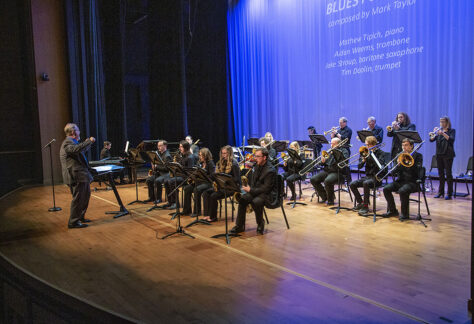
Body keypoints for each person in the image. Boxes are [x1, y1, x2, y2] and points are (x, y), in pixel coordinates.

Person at [230, 147, 276, 235]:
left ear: (264, 157)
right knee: (242, 199)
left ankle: (260, 223)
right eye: (255, 156)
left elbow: (266, 188)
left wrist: (251, 190)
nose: (255, 158)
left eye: (258, 156)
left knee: (256, 202)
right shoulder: (256, 166)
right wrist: (248, 187)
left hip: (267, 194)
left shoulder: (270, 170)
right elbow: (254, 182)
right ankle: (239, 226)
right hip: (256, 191)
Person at [59, 123, 95, 229]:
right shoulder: (67, 142)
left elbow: (80, 150)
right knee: (79, 198)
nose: (80, 132)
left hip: (81, 175)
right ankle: (73, 222)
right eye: (78, 130)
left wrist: (87, 144)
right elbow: (76, 149)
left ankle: (80, 217)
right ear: (73, 132)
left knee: (85, 196)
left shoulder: (74, 142)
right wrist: (89, 141)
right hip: (76, 175)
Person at [382, 138, 423, 220]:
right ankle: (393, 210)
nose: (404, 147)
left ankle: (405, 214)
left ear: (411, 146)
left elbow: (418, 171)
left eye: (406, 145)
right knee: (386, 188)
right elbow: (393, 172)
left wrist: (408, 162)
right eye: (403, 145)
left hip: (413, 182)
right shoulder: (399, 155)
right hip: (401, 181)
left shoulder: (418, 156)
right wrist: (398, 164)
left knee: (402, 191)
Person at [349, 136, 386, 216]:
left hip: (377, 178)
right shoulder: (364, 152)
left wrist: (372, 155)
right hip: (368, 177)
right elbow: (359, 167)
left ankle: (365, 206)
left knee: (366, 183)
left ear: (373, 145)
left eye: (368, 145)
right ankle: (361, 203)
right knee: (352, 184)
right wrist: (363, 161)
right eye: (366, 145)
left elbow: (381, 167)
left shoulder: (381, 153)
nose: (366, 147)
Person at [202, 145, 240, 222]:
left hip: (231, 188)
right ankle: (207, 214)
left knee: (213, 196)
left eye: (225, 153)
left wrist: (227, 180)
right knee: (206, 193)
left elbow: (237, 179)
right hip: (222, 186)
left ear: (230, 153)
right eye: (222, 153)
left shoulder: (234, 164)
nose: (223, 155)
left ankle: (213, 217)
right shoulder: (221, 162)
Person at [310, 137, 349, 206]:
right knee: (313, 179)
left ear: (338, 144)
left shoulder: (344, 151)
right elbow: (323, 164)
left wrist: (335, 154)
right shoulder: (330, 151)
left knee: (328, 181)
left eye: (333, 144)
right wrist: (322, 161)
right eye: (331, 143)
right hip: (328, 171)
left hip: (338, 172)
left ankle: (331, 200)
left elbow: (343, 163)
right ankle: (325, 196)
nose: (331, 145)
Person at [163, 140, 197, 209]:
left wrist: (180, 169)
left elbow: (189, 172)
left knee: (171, 181)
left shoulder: (190, 157)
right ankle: (170, 202)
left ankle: (176, 203)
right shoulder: (182, 155)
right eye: (179, 146)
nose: (179, 148)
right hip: (181, 175)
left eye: (181, 147)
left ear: (186, 147)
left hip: (186, 178)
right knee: (166, 180)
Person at [182, 147, 215, 216]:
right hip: (199, 182)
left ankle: (197, 212)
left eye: (201, 155)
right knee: (187, 188)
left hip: (208, 183)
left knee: (196, 189)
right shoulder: (200, 163)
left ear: (205, 155)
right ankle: (187, 210)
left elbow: (213, 176)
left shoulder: (210, 163)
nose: (199, 157)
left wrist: (204, 176)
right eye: (199, 155)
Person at [429, 116, 456, 199]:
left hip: (448, 155)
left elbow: (451, 140)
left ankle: (449, 193)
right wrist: (434, 133)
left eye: (443, 122)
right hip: (439, 154)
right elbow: (431, 140)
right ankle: (440, 192)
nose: (441, 123)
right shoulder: (438, 132)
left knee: (448, 174)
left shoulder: (451, 131)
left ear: (447, 123)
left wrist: (443, 133)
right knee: (440, 174)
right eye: (440, 122)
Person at [331, 117, 352, 182]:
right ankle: (341, 180)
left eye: (341, 123)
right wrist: (333, 133)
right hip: (338, 149)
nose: (339, 124)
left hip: (345, 149)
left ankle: (349, 181)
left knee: (345, 165)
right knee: (338, 164)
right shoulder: (339, 130)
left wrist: (336, 133)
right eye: (339, 123)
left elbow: (344, 139)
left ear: (345, 123)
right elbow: (332, 138)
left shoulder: (348, 130)